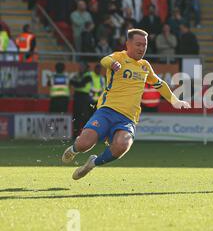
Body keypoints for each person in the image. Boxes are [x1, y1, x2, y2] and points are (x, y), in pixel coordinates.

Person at [61, 29, 191, 180]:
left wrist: (175, 100)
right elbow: (104, 60)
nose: (142, 48)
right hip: (107, 111)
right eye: (138, 44)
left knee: (123, 146)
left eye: (145, 45)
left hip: (128, 118)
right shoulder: (119, 57)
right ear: (128, 44)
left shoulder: (145, 66)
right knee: (84, 144)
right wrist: (113, 63)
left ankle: (92, 164)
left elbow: (159, 83)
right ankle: (74, 149)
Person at [70, 63, 94, 140]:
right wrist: (74, 82)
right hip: (77, 97)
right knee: (76, 116)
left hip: (84, 97)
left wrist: (74, 82)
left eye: (81, 67)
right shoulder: (78, 75)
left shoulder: (88, 76)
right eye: (80, 67)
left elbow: (81, 84)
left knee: (84, 116)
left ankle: (85, 135)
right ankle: (75, 135)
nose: (80, 68)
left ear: (86, 68)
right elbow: (73, 82)